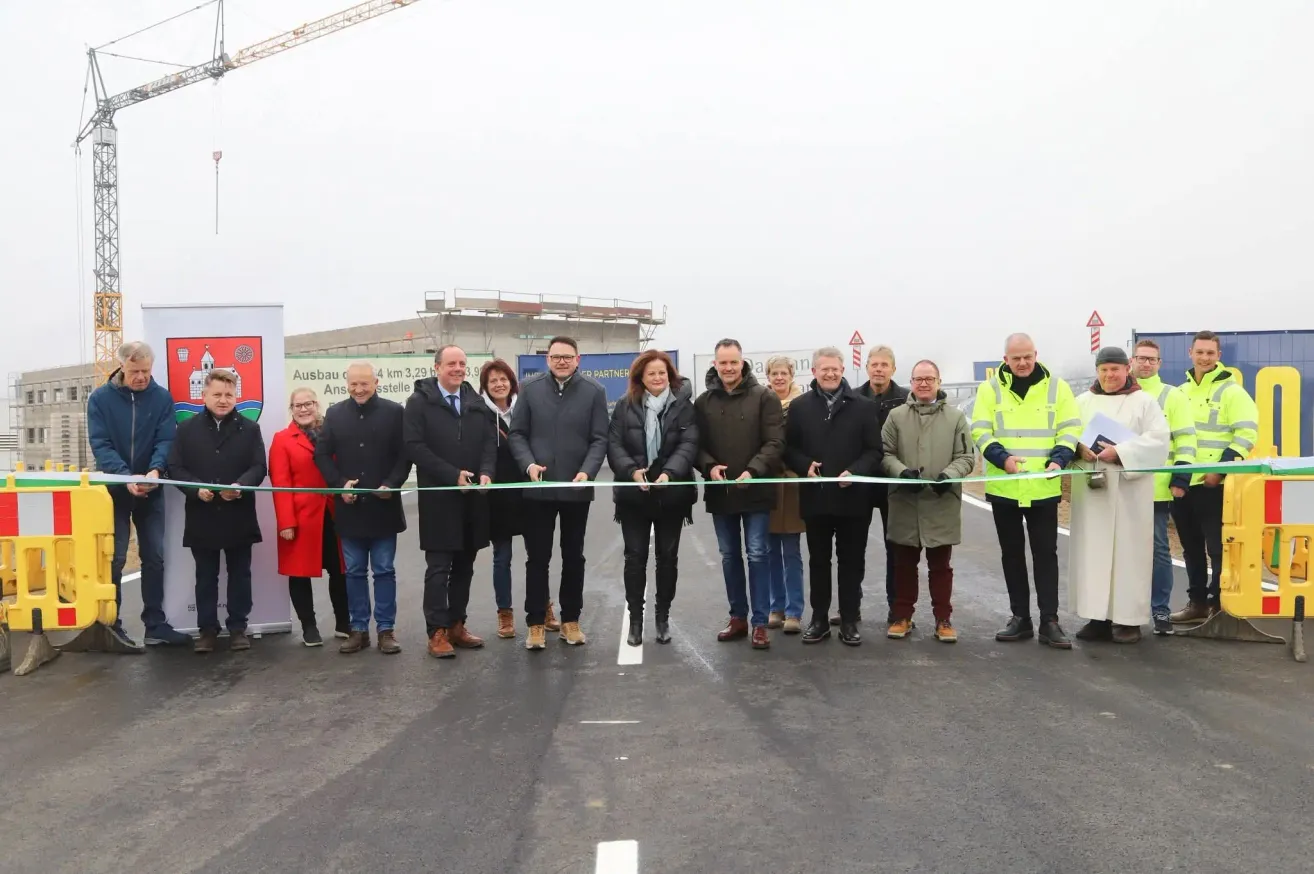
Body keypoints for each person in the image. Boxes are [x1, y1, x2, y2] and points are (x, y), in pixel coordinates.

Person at [970, 333, 1081, 649]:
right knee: (1012, 554)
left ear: (1036, 355)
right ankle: (1020, 618)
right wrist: (1002, 459)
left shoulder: (1057, 388)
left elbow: (1070, 427)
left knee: (1046, 554)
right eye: (1015, 358)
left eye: (1027, 357)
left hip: (1043, 485)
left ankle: (1050, 621)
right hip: (1005, 485)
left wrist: (1060, 458)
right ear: (1005, 359)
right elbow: (980, 429)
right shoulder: (989, 389)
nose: (1022, 363)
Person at [86, 340, 191, 648]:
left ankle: (155, 624)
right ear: (121, 367)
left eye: (146, 370)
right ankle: (111, 622)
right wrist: (124, 476)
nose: (142, 377)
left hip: (151, 488)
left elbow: (165, 439)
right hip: (114, 490)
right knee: (115, 557)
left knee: (155, 557)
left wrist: (155, 472)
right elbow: (100, 445)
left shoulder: (161, 399)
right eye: (135, 371)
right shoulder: (100, 400)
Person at [509, 336, 609, 650]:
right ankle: (536, 623)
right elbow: (517, 434)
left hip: (575, 489)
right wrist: (528, 466)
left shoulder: (594, 391)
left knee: (573, 556)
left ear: (578, 359)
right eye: (556, 356)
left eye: (567, 356)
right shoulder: (529, 388)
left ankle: (570, 621)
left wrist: (587, 471)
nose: (561, 361)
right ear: (547, 359)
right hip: (538, 490)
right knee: (537, 559)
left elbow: (599, 439)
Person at [1069, 347, 1171, 644]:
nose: (1109, 375)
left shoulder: (1144, 403)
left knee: (1129, 555)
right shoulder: (1082, 402)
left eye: (1115, 369)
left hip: (1129, 492)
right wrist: (1078, 448)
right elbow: (1068, 433)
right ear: (1097, 371)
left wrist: (1121, 452)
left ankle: (1128, 620)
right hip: (1093, 491)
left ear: (1127, 369)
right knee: (1094, 554)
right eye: (1104, 370)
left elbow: (1158, 442)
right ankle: (1096, 617)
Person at [784, 347, 882, 646]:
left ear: (843, 370)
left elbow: (875, 451)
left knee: (852, 561)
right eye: (824, 369)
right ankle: (819, 619)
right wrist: (804, 465)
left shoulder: (863, 407)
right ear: (814, 372)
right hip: (817, 498)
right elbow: (788, 449)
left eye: (835, 369)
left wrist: (855, 470)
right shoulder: (800, 407)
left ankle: (850, 619)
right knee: (819, 561)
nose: (830, 374)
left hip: (854, 500)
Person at [166, 368, 268, 653]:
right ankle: (207, 631)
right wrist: (197, 489)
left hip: (239, 512)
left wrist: (241, 485)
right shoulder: (185, 429)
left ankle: (238, 628)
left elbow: (259, 467)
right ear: (204, 395)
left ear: (236, 396)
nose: (223, 400)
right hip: (203, 512)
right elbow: (175, 468)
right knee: (205, 576)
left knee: (240, 574)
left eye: (229, 395)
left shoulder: (250, 429)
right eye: (217, 395)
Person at [404, 345, 497, 659]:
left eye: (462, 363)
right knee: (439, 568)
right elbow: (414, 447)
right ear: (437, 367)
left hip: (473, 499)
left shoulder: (476, 403)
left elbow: (488, 443)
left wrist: (485, 472)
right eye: (451, 364)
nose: (458, 368)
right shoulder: (419, 403)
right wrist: (451, 474)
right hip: (439, 499)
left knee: (465, 566)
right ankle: (437, 631)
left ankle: (457, 624)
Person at [315, 362, 412, 655]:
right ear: (347, 384)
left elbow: (405, 454)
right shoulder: (334, 414)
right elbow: (321, 455)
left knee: (384, 570)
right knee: (354, 572)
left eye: (364, 384)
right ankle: (358, 630)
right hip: (349, 510)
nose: (359, 389)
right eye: (353, 384)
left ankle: (385, 630)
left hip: (384, 508)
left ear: (376, 383)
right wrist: (339, 484)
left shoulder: (395, 412)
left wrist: (391, 483)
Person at [696, 339, 785, 649]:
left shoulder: (765, 397)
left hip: (756, 491)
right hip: (721, 494)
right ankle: (737, 618)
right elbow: (696, 445)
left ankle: (760, 624)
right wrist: (708, 467)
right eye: (723, 363)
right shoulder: (703, 401)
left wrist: (754, 470)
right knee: (730, 556)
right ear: (715, 364)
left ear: (742, 362)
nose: (728, 368)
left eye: (733, 362)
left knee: (758, 554)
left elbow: (775, 442)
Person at [607, 350, 699, 647]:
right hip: (634, 497)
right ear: (640, 378)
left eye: (662, 373)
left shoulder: (684, 406)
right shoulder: (624, 406)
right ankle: (636, 620)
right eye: (651, 374)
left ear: (669, 376)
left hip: (671, 495)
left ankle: (662, 618)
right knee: (634, 558)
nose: (657, 378)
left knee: (667, 558)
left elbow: (689, 444)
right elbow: (615, 445)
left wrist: (669, 474)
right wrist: (632, 472)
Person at [880, 360, 976, 643]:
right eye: (918, 379)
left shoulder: (955, 418)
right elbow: (885, 453)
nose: (923, 383)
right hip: (905, 502)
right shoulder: (896, 417)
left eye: (929, 379)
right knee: (904, 565)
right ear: (911, 382)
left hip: (941, 501)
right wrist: (901, 472)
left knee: (941, 566)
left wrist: (950, 475)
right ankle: (902, 617)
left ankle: (943, 619)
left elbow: (967, 457)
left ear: (938, 381)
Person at [1170, 330, 1259, 624]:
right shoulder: (1179, 393)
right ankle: (1196, 604)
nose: (1205, 358)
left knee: (1218, 549)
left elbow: (1246, 435)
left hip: (1214, 486)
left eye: (1211, 353)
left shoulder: (1232, 392)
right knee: (1191, 549)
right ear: (1190, 353)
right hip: (1184, 483)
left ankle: (1219, 605)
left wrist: (1218, 471)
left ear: (1219, 356)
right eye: (1200, 352)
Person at [269, 387, 349, 646]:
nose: (304, 409)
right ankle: (309, 627)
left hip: (335, 512)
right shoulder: (282, 439)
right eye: (298, 405)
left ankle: (343, 623)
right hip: (301, 518)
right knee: (299, 574)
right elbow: (279, 484)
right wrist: (286, 522)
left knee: (340, 570)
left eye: (309, 404)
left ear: (317, 405)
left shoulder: (333, 433)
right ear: (291, 410)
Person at [1131, 339, 1197, 634]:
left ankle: (1160, 611)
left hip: (1155, 488)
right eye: (1141, 358)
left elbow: (1186, 439)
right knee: (1122, 552)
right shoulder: (1120, 393)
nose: (1146, 364)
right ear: (1132, 361)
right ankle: (1125, 611)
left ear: (1159, 364)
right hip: (1120, 488)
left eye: (1151, 359)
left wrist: (1181, 477)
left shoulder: (1172, 396)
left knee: (1158, 552)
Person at [855, 344, 909, 626]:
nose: (879, 369)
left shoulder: (905, 399)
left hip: (893, 483)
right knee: (854, 547)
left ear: (893, 369)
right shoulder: (853, 398)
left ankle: (896, 608)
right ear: (867, 368)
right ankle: (851, 606)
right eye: (874, 365)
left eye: (884, 365)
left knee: (895, 549)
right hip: (861, 483)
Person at [480, 358, 529, 639]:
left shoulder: (523, 410)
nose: (499, 384)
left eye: (503, 379)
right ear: (485, 387)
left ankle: (543, 607)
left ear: (512, 382)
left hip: (527, 492)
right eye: (493, 381)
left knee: (538, 555)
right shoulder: (480, 414)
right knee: (502, 558)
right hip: (497, 497)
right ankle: (505, 613)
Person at [764, 356, 805, 634]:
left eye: (783, 373)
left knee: (791, 550)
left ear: (791, 375)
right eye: (774, 373)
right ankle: (775, 606)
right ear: (768, 376)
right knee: (768, 550)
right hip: (765, 481)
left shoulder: (802, 406)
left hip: (791, 484)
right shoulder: (762, 402)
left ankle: (794, 611)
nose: (779, 378)